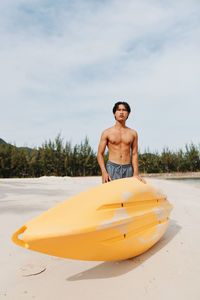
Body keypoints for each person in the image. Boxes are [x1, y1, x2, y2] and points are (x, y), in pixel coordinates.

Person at [97, 101, 146, 184]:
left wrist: (136, 173)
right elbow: (99, 154)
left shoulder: (133, 133)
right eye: (119, 110)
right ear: (114, 113)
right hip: (112, 168)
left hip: (128, 168)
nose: (121, 112)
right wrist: (104, 172)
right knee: (112, 195)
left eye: (124, 110)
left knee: (128, 195)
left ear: (128, 114)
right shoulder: (107, 132)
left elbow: (134, 154)